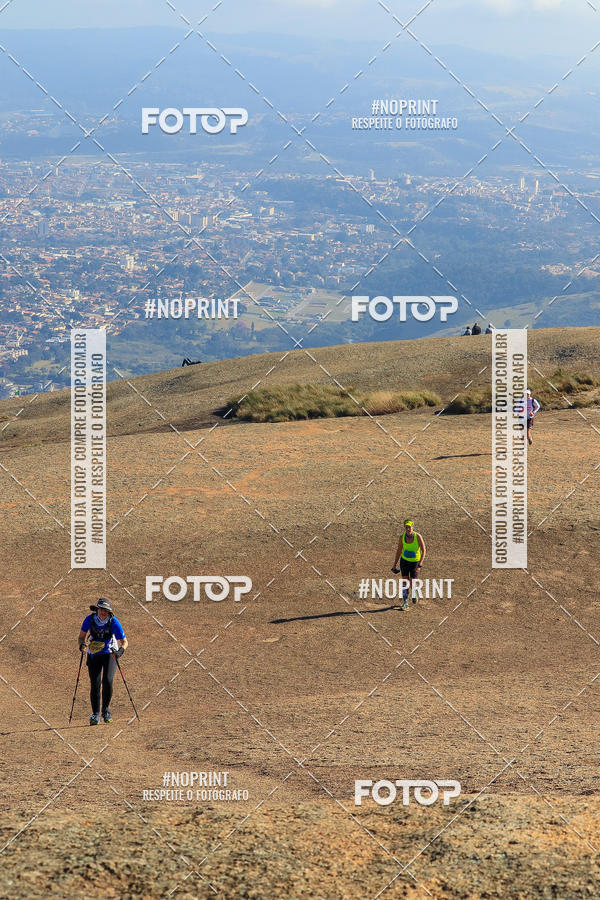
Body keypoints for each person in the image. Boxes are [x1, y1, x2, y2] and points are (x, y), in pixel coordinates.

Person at [78, 599, 128, 725]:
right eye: (101, 609)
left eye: (106, 610)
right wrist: (82, 645)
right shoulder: (89, 619)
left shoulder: (113, 622)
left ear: (109, 612)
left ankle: (105, 710)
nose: (103, 613)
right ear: (97, 609)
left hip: (110, 654)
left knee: (108, 680)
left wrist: (120, 652)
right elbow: (81, 637)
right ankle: (95, 714)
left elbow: (124, 642)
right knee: (95, 684)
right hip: (94, 654)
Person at [391, 519, 426, 609]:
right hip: (404, 561)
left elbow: (424, 550)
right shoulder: (402, 537)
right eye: (406, 527)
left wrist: (420, 564)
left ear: (412, 527)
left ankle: (414, 593)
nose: (408, 529)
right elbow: (399, 550)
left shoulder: (418, 536)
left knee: (412, 581)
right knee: (404, 581)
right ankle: (405, 601)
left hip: (415, 562)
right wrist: (395, 564)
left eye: (409, 527)